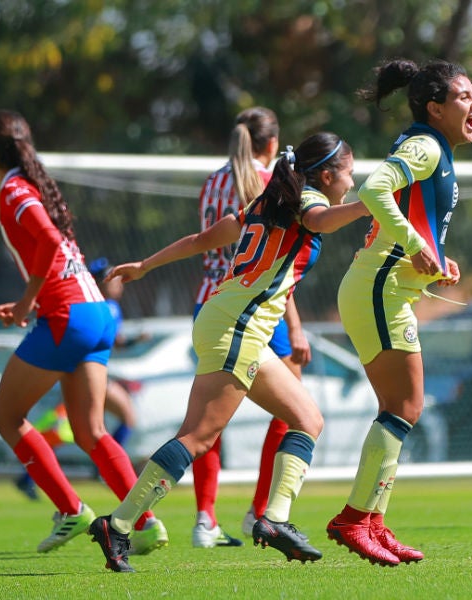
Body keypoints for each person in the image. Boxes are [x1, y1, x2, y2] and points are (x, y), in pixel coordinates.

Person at [88, 132, 369, 573]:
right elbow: (320, 221)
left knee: (307, 419)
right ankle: (119, 524)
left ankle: (272, 520)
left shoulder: (269, 203)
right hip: (238, 326)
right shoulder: (305, 202)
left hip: (228, 321)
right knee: (199, 437)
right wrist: (374, 203)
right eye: (351, 174)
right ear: (329, 173)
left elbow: (203, 240)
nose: (353, 183)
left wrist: (145, 265)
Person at [0, 109, 167, 554]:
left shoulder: (12, 188)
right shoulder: (39, 186)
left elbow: (44, 239)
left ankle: (70, 509)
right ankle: (145, 521)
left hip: (68, 316)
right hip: (97, 314)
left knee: (6, 417)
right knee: (91, 431)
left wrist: (27, 302)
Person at [325, 58, 472, 566]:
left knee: (401, 409)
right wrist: (415, 245)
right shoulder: (425, 145)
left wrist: (434, 258)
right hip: (378, 288)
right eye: (463, 97)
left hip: (386, 286)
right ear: (434, 108)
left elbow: (408, 217)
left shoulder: (434, 146)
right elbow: (372, 190)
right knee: (406, 407)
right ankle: (354, 520)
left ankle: (373, 522)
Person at [190, 106, 313, 549]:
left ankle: (205, 518)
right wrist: (295, 327)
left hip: (208, 301)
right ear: (273, 144)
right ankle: (260, 511)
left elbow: (208, 242)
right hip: (256, 308)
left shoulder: (212, 182)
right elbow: (276, 264)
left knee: (209, 418)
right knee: (294, 409)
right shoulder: (269, 184)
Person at [15, 257, 139, 500]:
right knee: (107, 423)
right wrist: (136, 340)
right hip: (85, 371)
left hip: (78, 368)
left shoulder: (92, 302)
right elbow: (115, 341)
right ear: (102, 282)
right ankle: (100, 471)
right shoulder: (108, 306)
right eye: (114, 278)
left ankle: (28, 477)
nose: (120, 283)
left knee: (66, 430)